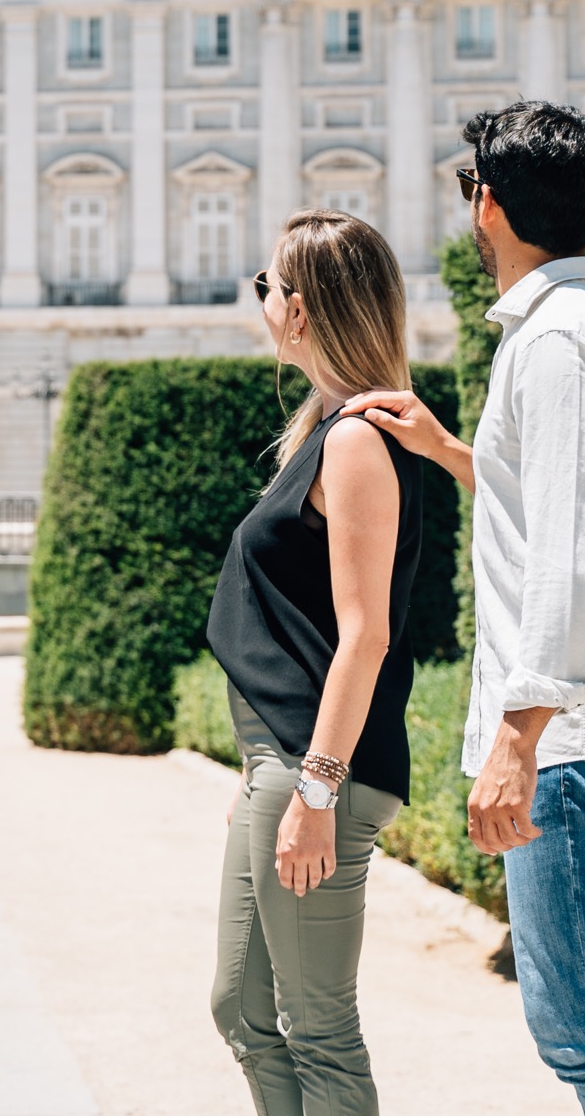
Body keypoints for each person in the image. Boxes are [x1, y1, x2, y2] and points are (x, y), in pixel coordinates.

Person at [346, 103, 585, 1116]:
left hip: (577, 743)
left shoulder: (560, 343)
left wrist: (519, 731)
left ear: (487, 203)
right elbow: (568, 510)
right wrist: (458, 453)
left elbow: (580, 557)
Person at [205, 210, 430, 1116]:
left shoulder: (356, 441)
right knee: (244, 1010)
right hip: (282, 763)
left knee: (318, 1027)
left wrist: (317, 788)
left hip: (316, 770)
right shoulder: (330, 426)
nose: (258, 301)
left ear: (299, 311)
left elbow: (365, 633)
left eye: (266, 286)